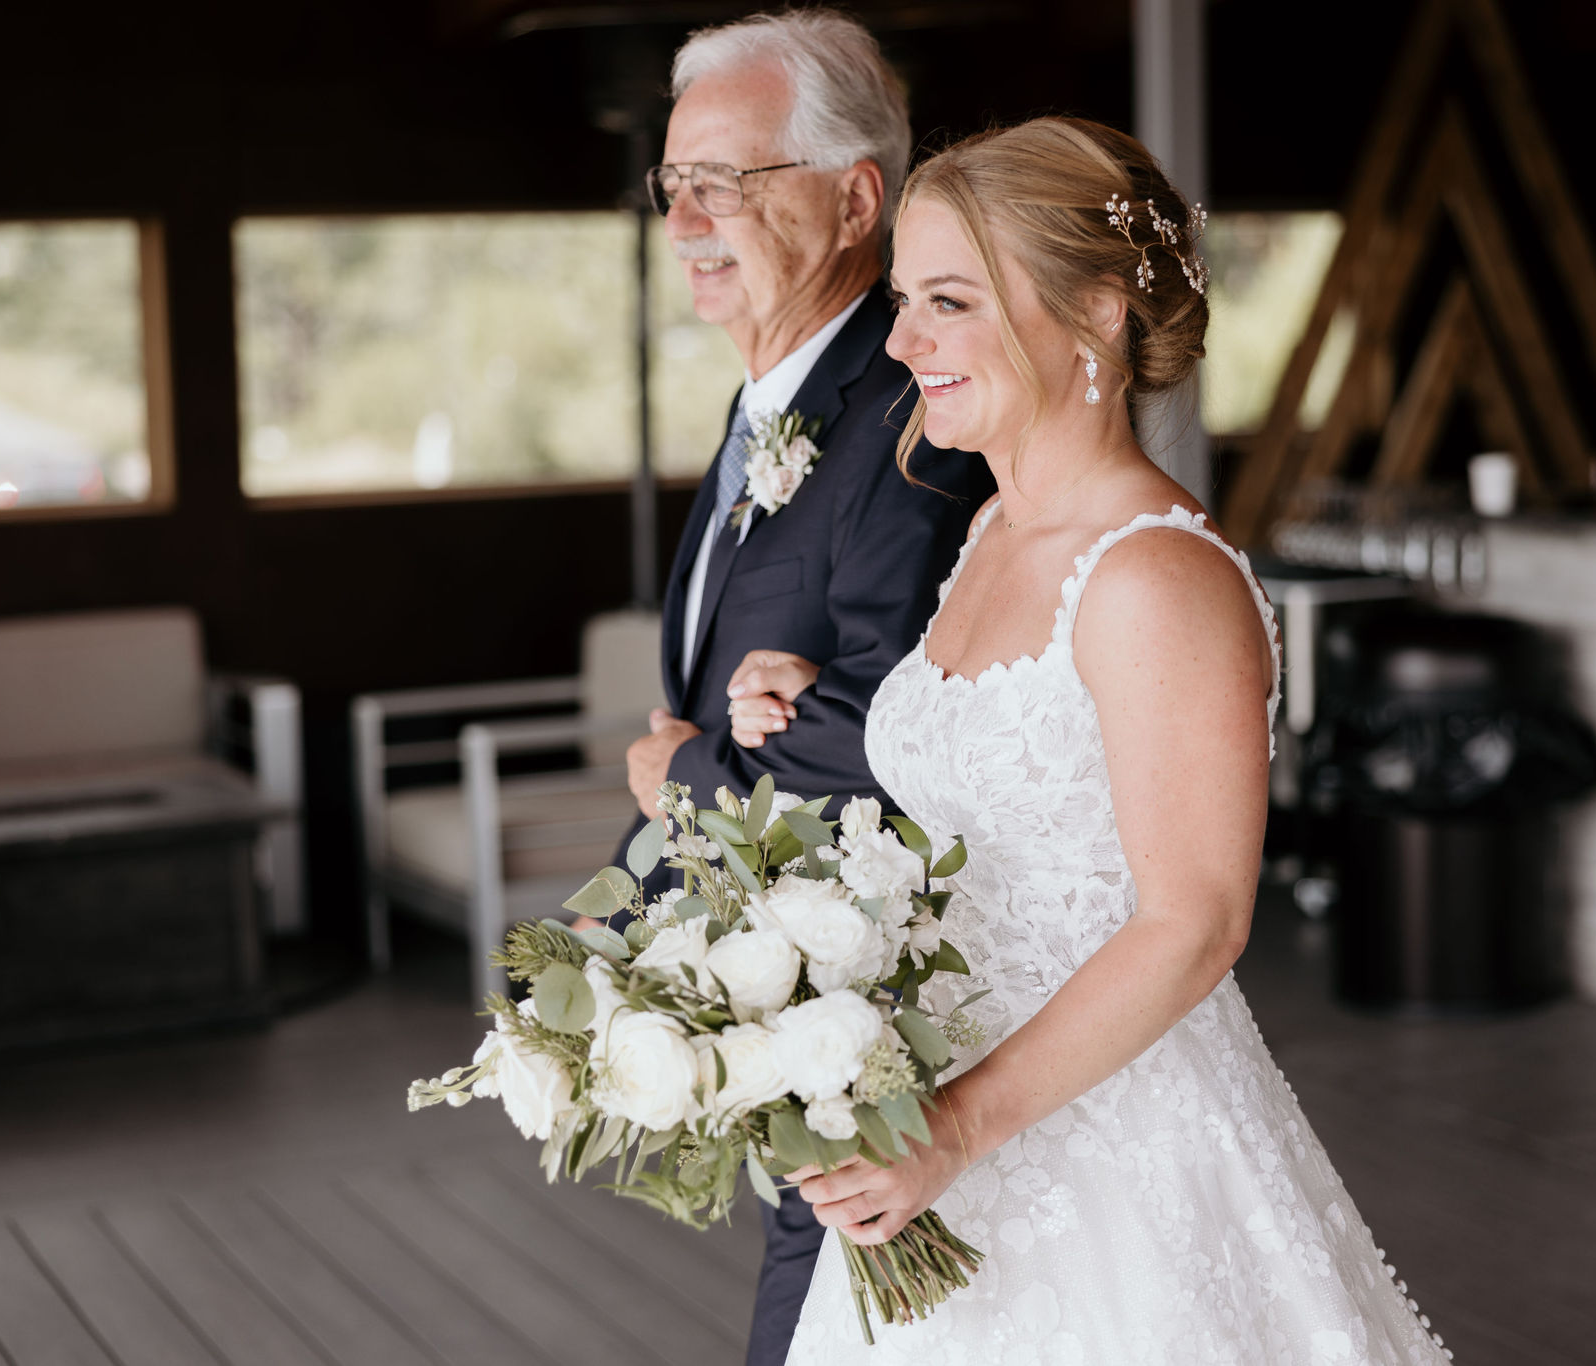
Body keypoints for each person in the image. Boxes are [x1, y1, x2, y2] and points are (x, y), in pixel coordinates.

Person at [725, 118, 1456, 1364]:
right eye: (904, 301)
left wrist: (953, 1128)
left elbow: (1196, 922)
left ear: (1100, 311)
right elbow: (991, 775)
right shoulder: (993, 534)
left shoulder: (1157, 579)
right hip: (932, 1121)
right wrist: (811, 689)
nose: (901, 344)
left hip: (1098, 1142)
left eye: (947, 302)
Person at [608, 12, 990, 1366]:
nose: (687, 220)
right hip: (795, 1002)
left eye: (729, 180)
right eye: (674, 184)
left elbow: (922, 728)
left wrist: (684, 780)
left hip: (894, 1021)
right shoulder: (764, 398)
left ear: (853, 198)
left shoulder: (912, 412)